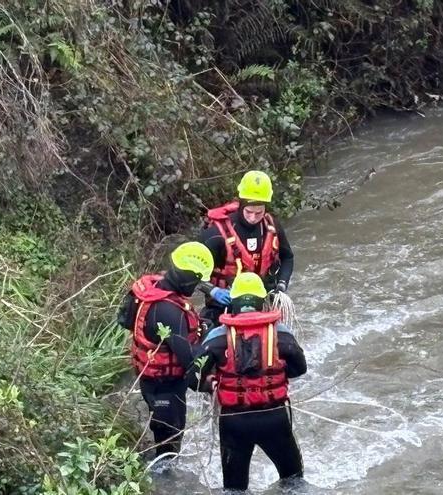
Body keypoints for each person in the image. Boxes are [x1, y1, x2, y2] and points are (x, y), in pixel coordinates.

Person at [195, 272, 307, 491]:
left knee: (235, 489)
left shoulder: (217, 337)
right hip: (274, 418)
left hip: (234, 423)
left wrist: (212, 384)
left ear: (233, 302)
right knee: (294, 481)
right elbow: (299, 369)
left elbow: (193, 377)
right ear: (261, 301)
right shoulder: (281, 334)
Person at [117, 241, 213, 459]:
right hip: (166, 387)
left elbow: (126, 321)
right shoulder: (170, 312)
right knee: (169, 441)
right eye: (196, 281)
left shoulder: (153, 289)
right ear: (186, 278)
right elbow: (190, 359)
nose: (196, 287)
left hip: (150, 379)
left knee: (161, 428)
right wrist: (209, 382)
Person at [198, 170, 294, 329]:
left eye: (259, 213)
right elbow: (189, 273)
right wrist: (213, 290)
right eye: (249, 212)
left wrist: (282, 285)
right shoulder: (215, 234)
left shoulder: (271, 227)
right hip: (225, 305)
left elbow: (287, 258)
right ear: (241, 204)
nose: (253, 218)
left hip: (262, 300)